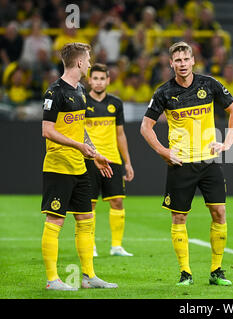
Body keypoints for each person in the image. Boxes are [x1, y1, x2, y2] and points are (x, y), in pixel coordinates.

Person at [140, 41, 233, 286]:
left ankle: (216, 270)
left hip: (208, 161)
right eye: (177, 60)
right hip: (181, 164)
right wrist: (163, 151)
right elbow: (145, 127)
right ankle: (185, 273)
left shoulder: (209, 84)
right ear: (171, 63)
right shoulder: (164, 92)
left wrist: (227, 143)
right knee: (179, 219)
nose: (182, 64)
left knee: (219, 212)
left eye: (186, 59)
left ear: (193, 60)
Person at [41, 42, 118, 290]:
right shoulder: (54, 93)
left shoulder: (81, 91)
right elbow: (47, 130)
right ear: (79, 62)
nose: (89, 61)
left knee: (86, 218)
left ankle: (88, 277)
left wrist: (94, 153)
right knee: (55, 221)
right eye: (88, 58)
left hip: (81, 165)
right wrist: (78, 146)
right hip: (58, 166)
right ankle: (52, 280)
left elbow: (81, 128)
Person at [85, 63, 135, 257]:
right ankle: (91, 246)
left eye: (102, 78)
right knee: (89, 205)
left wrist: (127, 162)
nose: (98, 82)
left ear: (108, 80)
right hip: (89, 160)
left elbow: (120, 134)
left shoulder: (116, 103)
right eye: (95, 78)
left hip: (112, 159)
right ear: (89, 80)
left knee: (117, 202)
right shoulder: (81, 102)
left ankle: (116, 246)